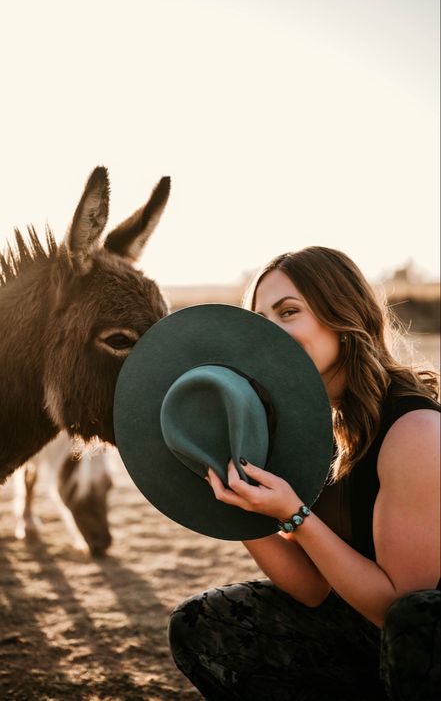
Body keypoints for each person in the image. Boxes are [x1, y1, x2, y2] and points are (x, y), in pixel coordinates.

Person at [167, 246, 440, 701]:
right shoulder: (310, 426)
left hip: (423, 640)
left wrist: (295, 515)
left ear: (343, 318)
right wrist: (237, 506)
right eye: (258, 320)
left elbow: (399, 611)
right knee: (203, 623)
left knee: (419, 617)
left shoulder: (414, 430)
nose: (267, 334)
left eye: (288, 312)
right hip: (372, 631)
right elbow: (313, 590)